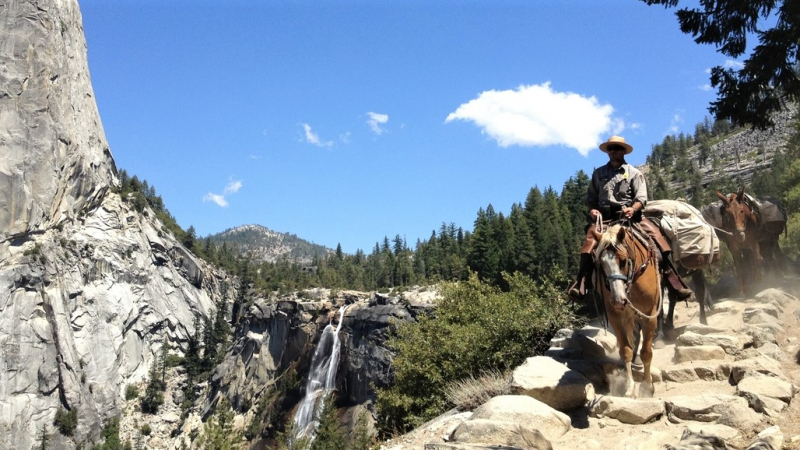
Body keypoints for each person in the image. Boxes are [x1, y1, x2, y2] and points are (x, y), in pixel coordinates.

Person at [567, 135, 693, 302]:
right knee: (589, 244)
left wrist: (632, 209)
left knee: (658, 239)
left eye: (617, 148)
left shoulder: (634, 173)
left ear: (623, 151)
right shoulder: (599, 173)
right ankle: (582, 283)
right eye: (610, 148)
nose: (613, 151)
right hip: (604, 219)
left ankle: (674, 281)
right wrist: (593, 210)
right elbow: (591, 197)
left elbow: (641, 198)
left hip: (630, 217)